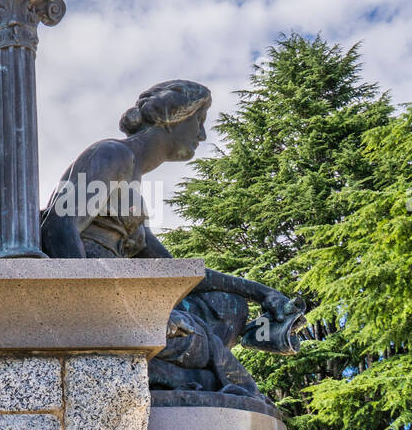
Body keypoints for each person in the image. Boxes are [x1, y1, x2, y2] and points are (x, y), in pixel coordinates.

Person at [40, 79, 303, 396]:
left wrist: (261, 293)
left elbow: (176, 271)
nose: (202, 135)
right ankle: (192, 377)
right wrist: (96, 307)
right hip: (98, 303)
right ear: (171, 115)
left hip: (121, 300)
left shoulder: (133, 187)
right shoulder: (112, 155)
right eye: (199, 121)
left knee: (230, 308)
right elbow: (57, 227)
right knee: (197, 339)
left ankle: (173, 375)